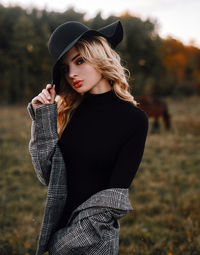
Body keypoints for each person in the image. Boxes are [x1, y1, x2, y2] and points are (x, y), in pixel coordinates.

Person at [27, 20, 149, 255]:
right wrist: (42, 117)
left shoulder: (134, 120)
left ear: (99, 55)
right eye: (65, 68)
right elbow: (47, 175)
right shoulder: (71, 111)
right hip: (61, 232)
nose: (72, 74)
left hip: (95, 241)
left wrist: (60, 243)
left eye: (79, 60)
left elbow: (111, 204)